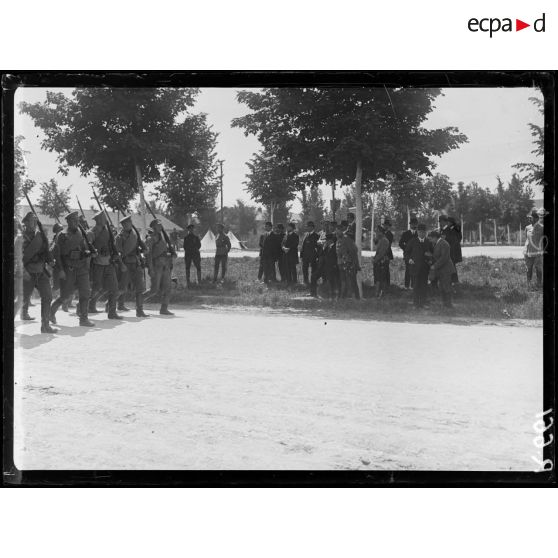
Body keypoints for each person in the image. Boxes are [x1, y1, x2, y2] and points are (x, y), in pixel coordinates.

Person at [50, 211, 95, 327]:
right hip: (68, 267)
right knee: (66, 295)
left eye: (77, 220)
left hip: (81, 267)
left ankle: (83, 318)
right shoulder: (62, 235)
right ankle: (52, 310)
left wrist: (88, 252)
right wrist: (60, 270)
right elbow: (57, 254)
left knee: (85, 292)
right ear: (68, 222)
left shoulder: (81, 233)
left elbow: (84, 249)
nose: (76, 222)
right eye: (73, 220)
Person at [20, 212, 57, 333]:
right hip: (27, 272)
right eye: (32, 220)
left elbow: (46, 251)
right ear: (25, 223)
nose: (34, 223)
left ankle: (45, 326)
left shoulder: (40, 236)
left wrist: (50, 260)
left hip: (41, 271)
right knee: (21, 299)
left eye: (36, 220)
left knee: (47, 297)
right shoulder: (20, 237)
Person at [87, 211, 122, 319]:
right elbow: (87, 247)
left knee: (114, 289)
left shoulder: (108, 232)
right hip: (97, 264)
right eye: (103, 218)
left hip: (109, 263)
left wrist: (114, 254)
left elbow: (111, 245)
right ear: (98, 220)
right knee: (97, 288)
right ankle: (83, 306)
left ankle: (112, 312)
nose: (105, 220)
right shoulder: (91, 233)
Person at [115, 215, 149, 317]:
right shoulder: (119, 237)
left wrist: (144, 249)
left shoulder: (135, 235)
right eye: (126, 223)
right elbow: (117, 254)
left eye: (129, 222)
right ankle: (110, 304)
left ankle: (140, 310)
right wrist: (121, 265)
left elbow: (142, 246)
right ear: (123, 225)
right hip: (126, 264)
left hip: (136, 263)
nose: (128, 224)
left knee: (140, 288)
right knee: (122, 288)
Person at [146, 219, 177, 315]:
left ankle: (164, 308)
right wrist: (150, 268)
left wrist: (171, 253)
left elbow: (164, 250)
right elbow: (149, 255)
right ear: (154, 227)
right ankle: (139, 302)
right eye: (159, 225)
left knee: (168, 288)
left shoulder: (163, 238)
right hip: (156, 266)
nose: (161, 227)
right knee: (154, 290)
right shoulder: (151, 239)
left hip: (165, 265)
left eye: (161, 225)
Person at [404, 223, 433, 308]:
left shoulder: (428, 242)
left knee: (424, 286)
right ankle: (416, 304)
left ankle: (423, 303)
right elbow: (406, 252)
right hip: (415, 268)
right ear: (417, 232)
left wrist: (430, 258)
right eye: (420, 232)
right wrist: (409, 259)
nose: (422, 234)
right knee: (416, 286)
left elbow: (432, 254)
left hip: (425, 268)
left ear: (426, 232)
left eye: (423, 232)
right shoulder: (412, 241)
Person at [427, 229, 456, 308]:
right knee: (442, 287)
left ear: (435, 237)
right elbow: (438, 256)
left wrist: (434, 266)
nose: (430, 241)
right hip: (441, 269)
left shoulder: (444, 243)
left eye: (431, 239)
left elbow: (444, 257)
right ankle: (445, 304)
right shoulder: (437, 243)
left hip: (446, 269)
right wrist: (431, 256)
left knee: (446, 287)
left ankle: (449, 305)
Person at [335, 225, 360, 299]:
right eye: (336, 231)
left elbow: (354, 251)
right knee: (343, 281)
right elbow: (338, 253)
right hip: (341, 264)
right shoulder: (338, 240)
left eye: (338, 230)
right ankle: (343, 297)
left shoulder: (346, 239)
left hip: (349, 263)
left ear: (342, 231)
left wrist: (354, 263)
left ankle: (356, 298)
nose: (337, 232)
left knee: (352, 281)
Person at [439, 215, 462, 284]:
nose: (440, 223)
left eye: (441, 221)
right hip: (445, 252)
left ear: (445, 222)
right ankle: (451, 281)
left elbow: (454, 241)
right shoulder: (442, 230)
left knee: (452, 266)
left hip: (451, 252)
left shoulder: (452, 230)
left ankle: (455, 281)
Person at [524, 210, 542, 288]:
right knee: (528, 269)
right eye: (529, 217)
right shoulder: (527, 227)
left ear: (536, 218)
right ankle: (529, 284)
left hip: (537, 252)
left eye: (530, 217)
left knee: (538, 268)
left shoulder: (542, 228)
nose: (529, 219)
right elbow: (526, 238)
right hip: (527, 251)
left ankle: (539, 284)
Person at [399, 216, 418, 289]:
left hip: (416, 255)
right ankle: (406, 286)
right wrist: (406, 249)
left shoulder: (418, 234)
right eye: (413, 224)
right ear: (410, 225)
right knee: (408, 270)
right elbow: (400, 243)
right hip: (408, 255)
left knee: (415, 270)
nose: (414, 225)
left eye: (415, 224)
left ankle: (413, 285)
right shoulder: (406, 233)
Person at [373, 225, 390, 298]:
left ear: (381, 232)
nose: (376, 233)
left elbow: (382, 253)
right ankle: (377, 293)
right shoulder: (380, 240)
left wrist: (375, 260)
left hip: (382, 261)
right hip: (379, 261)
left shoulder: (384, 240)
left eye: (377, 231)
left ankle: (382, 294)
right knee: (378, 278)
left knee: (382, 278)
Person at [383, 218, 394, 286]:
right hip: (382, 252)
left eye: (387, 225)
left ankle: (387, 283)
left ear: (389, 226)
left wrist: (385, 254)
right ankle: (384, 283)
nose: (385, 226)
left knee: (386, 268)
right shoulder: (382, 233)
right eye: (384, 225)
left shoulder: (390, 234)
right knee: (382, 268)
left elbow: (388, 244)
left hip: (387, 253)